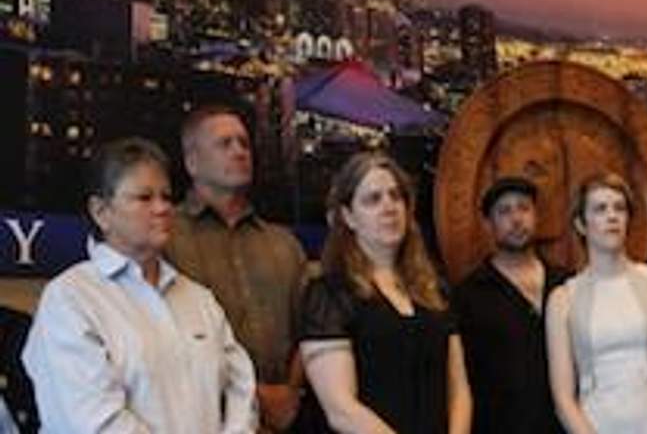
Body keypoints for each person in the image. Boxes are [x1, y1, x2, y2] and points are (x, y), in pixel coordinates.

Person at [23, 137, 257, 433]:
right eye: (144, 198)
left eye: (166, 196)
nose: (162, 208)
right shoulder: (70, 299)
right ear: (101, 212)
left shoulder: (198, 298)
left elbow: (241, 387)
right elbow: (90, 421)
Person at [300, 152, 471, 434]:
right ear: (348, 217)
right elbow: (341, 410)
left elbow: (458, 390)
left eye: (395, 196)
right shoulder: (330, 295)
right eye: (373, 199)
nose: (389, 207)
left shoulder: (433, 289)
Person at [164, 104, 308, 432]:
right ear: (192, 162)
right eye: (224, 144)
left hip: (283, 421)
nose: (240, 151)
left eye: (244, 143)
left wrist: (291, 392)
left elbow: (312, 330)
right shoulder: (165, 237)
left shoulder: (284, 245)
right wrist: (248, 396)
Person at [546, 173, 647, 434]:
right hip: (595, 424)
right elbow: (563, 399)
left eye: (619, 208)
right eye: (600, 209)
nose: (612, 216)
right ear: (580, 224)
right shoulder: (562, 299)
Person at [451, 177, 570, 434]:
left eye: (524, 208)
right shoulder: (468, 295)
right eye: (504, 211)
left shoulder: (566, 284)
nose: (516, 219)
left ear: (536, 216)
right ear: (488, 225)